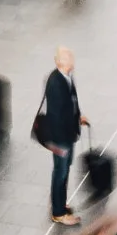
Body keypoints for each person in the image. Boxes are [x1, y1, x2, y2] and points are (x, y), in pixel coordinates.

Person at [38, 47, 89, 225]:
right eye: (69, 57)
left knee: (63, 170)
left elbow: (72, 101)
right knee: (60, 172)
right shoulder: (55, 83)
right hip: (61, 138)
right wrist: (62, 143)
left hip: (67, 135)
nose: (72, 60)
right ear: (61, 62)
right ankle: (58, 213)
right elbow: (57, 116)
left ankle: (60, 202)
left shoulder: (67, 76)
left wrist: (78, 116)